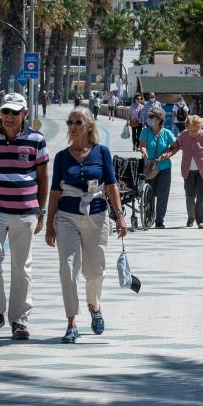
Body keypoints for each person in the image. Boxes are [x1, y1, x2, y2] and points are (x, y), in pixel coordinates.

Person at [46, 105, 128, 344]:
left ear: (89, 126)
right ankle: (71, 322)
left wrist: (120, 215)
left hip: (97, 216)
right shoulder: (61, 157)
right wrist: (50, 224)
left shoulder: (102, 152)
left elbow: (111, 185)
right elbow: (54, 192)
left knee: (95, 272)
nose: (72, 127)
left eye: (77, 123)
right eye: (70, 123)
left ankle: (94, 305)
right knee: (68, 270)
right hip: (67, 217)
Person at [0, 92, 48, 341]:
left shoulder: (36, 140)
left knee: (21, 266)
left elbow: (43, 177)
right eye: (6, 112)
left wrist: (41, 210)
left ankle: (20, 320)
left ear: (25, 113)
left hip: (25, 212)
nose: (10, 117)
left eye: (15, 112)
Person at [164, 113, 203, 228]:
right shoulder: (183, 135)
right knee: (190, 196)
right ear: (187, 128)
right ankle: (191, 218)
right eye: (191, 130)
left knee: (202, 196)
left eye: (195, 130)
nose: (193, 133)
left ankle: (200, 220)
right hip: (188, 171)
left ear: (200, 128)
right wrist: (167, 154)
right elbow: (176, 146)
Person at [138, 105, 176, 229]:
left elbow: (175, 146)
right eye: (149, 116)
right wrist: (144, 152)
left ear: (159, 119)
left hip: (164, 167)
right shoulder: (145, 131)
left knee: (163, 194)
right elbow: (142, 145)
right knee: (149, 193)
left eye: (152, 117)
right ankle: (149, 216)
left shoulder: (167, 133)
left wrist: (168, 154)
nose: (149, 118)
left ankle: (159, 220)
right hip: (150, 166)